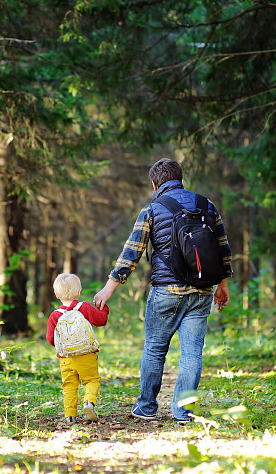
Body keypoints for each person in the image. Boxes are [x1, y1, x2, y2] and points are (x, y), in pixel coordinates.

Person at [93, 158, 232, 424]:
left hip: (165, 291)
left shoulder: (152, 209)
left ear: (155, 183)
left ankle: (146, 407)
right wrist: (222, 285)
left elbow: (131, 253)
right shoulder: (207, 206)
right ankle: (183, 412)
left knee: (155, 350)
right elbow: (222, 247)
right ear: (180, 178)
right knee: (192, 353)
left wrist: (109, 287)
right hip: (202, 291)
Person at [46, 273, 110, 424]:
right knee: (92, 380)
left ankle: (69, 415)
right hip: (87, 355)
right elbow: (101, 320)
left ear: (56, 294)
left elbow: (51, 339)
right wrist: (104, 308)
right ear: (79, 292)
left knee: (69, 386)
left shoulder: (55, 316)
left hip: (66, 359)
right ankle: (88, 402)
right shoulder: (85, 307)